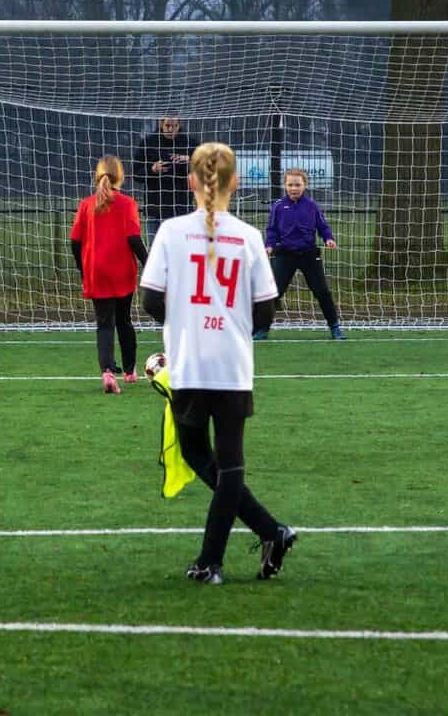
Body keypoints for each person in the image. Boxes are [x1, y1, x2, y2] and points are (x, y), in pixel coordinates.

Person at [140, 141, 296, 585]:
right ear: (236, 183)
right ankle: (271, 533)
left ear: (190, 180)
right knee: (224, 463)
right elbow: (265, 311)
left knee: (201, 454)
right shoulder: (248, 236)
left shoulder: (171, 231)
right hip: (231, 365)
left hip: (190, 363)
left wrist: (185, 325)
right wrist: (228, 324)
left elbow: (150, 299)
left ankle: (212, 561)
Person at [70, 154, 148, 394]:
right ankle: (130, 371)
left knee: (104, 324)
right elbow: (134, 239)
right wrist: (149, 264)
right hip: (122, 270)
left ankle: (107, 372)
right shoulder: (127, 203)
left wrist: (84, 269)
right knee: (124, 320)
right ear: (120, 177)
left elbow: (74, 242)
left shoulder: (86, 204)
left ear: (98, 176)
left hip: (96, 270)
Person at [258, 167, 344, 341]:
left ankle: (335, 327)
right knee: (273, 292)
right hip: (285, 254)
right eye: (290, 185)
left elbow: (322, 226)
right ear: (285, 186)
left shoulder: (312, 206)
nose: (294, 188)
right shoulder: (278, 206)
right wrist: (269, 246)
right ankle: (262, 329)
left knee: (322, 291)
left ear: (305, 185)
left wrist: (328, 238)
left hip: (308, 254)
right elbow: (272, 230)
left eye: (297, 185)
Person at [137, 116, 196, 237]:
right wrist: (152, 169)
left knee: (180, 247)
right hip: (155, 210)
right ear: (161, 124)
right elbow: (136, 173)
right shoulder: (148, 143)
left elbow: (204, 169)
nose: (170, 129)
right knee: (154, 247)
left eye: (174, 126)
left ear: (179, 125)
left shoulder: (191, 144)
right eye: (167, 126)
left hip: (181, 210)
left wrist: (191, 161)